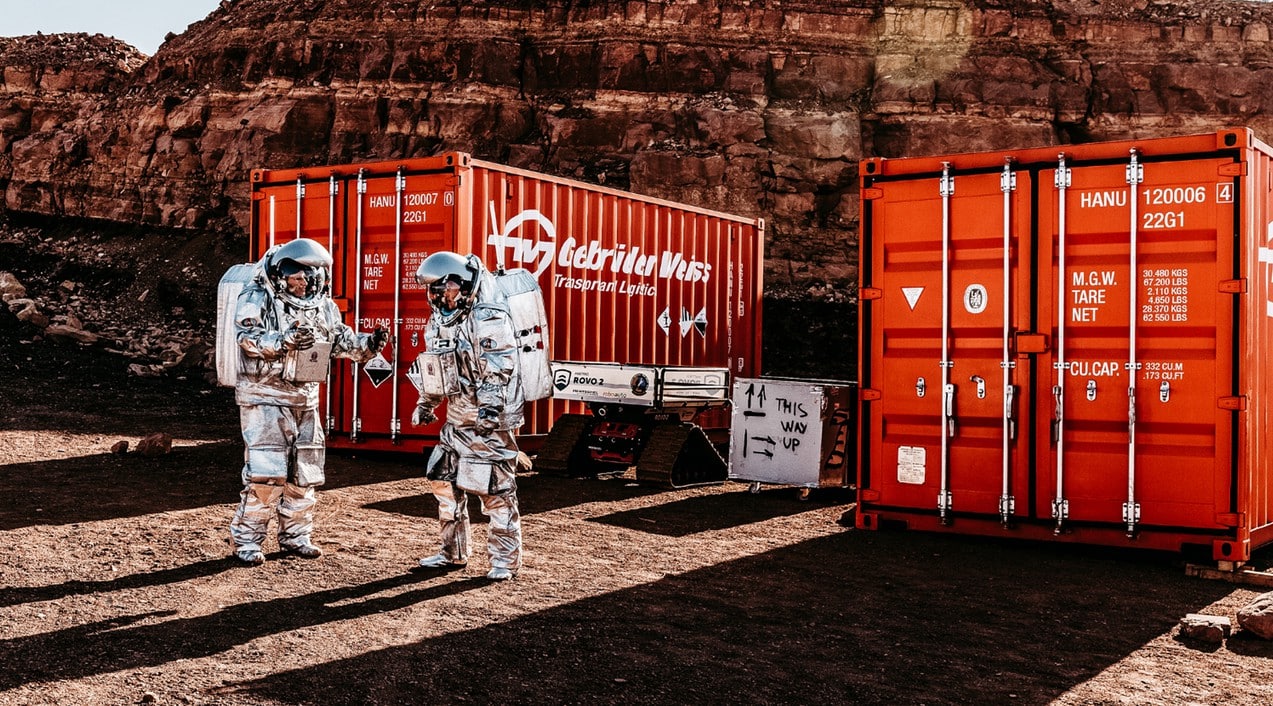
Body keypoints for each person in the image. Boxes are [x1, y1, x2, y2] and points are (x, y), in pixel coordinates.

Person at [229, 238, 388, 565]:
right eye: (296, 278)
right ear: (280, 277)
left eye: (308, 277)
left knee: (305, 473)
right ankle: (247, 540)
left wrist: (369, 344)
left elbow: (341, 340)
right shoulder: (257, 297)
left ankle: (296, 535)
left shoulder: (322, 307)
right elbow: (248, 339)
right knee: (266, 474)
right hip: (265, 396)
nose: (303, 283)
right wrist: (283, 340)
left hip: (305, 398)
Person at [410, 251, 525, 580]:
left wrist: (489, 409)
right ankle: (452, 552)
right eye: (434, 291)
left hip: (488, 423)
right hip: (456, 420)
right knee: (443, 483)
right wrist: (426, 403)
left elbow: (498, 368)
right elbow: (437, 369)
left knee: (495, 493)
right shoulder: (439, 321)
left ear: (463, 285)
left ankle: (504, 562)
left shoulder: (488, 316)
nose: (440, 298)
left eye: (444, 290)